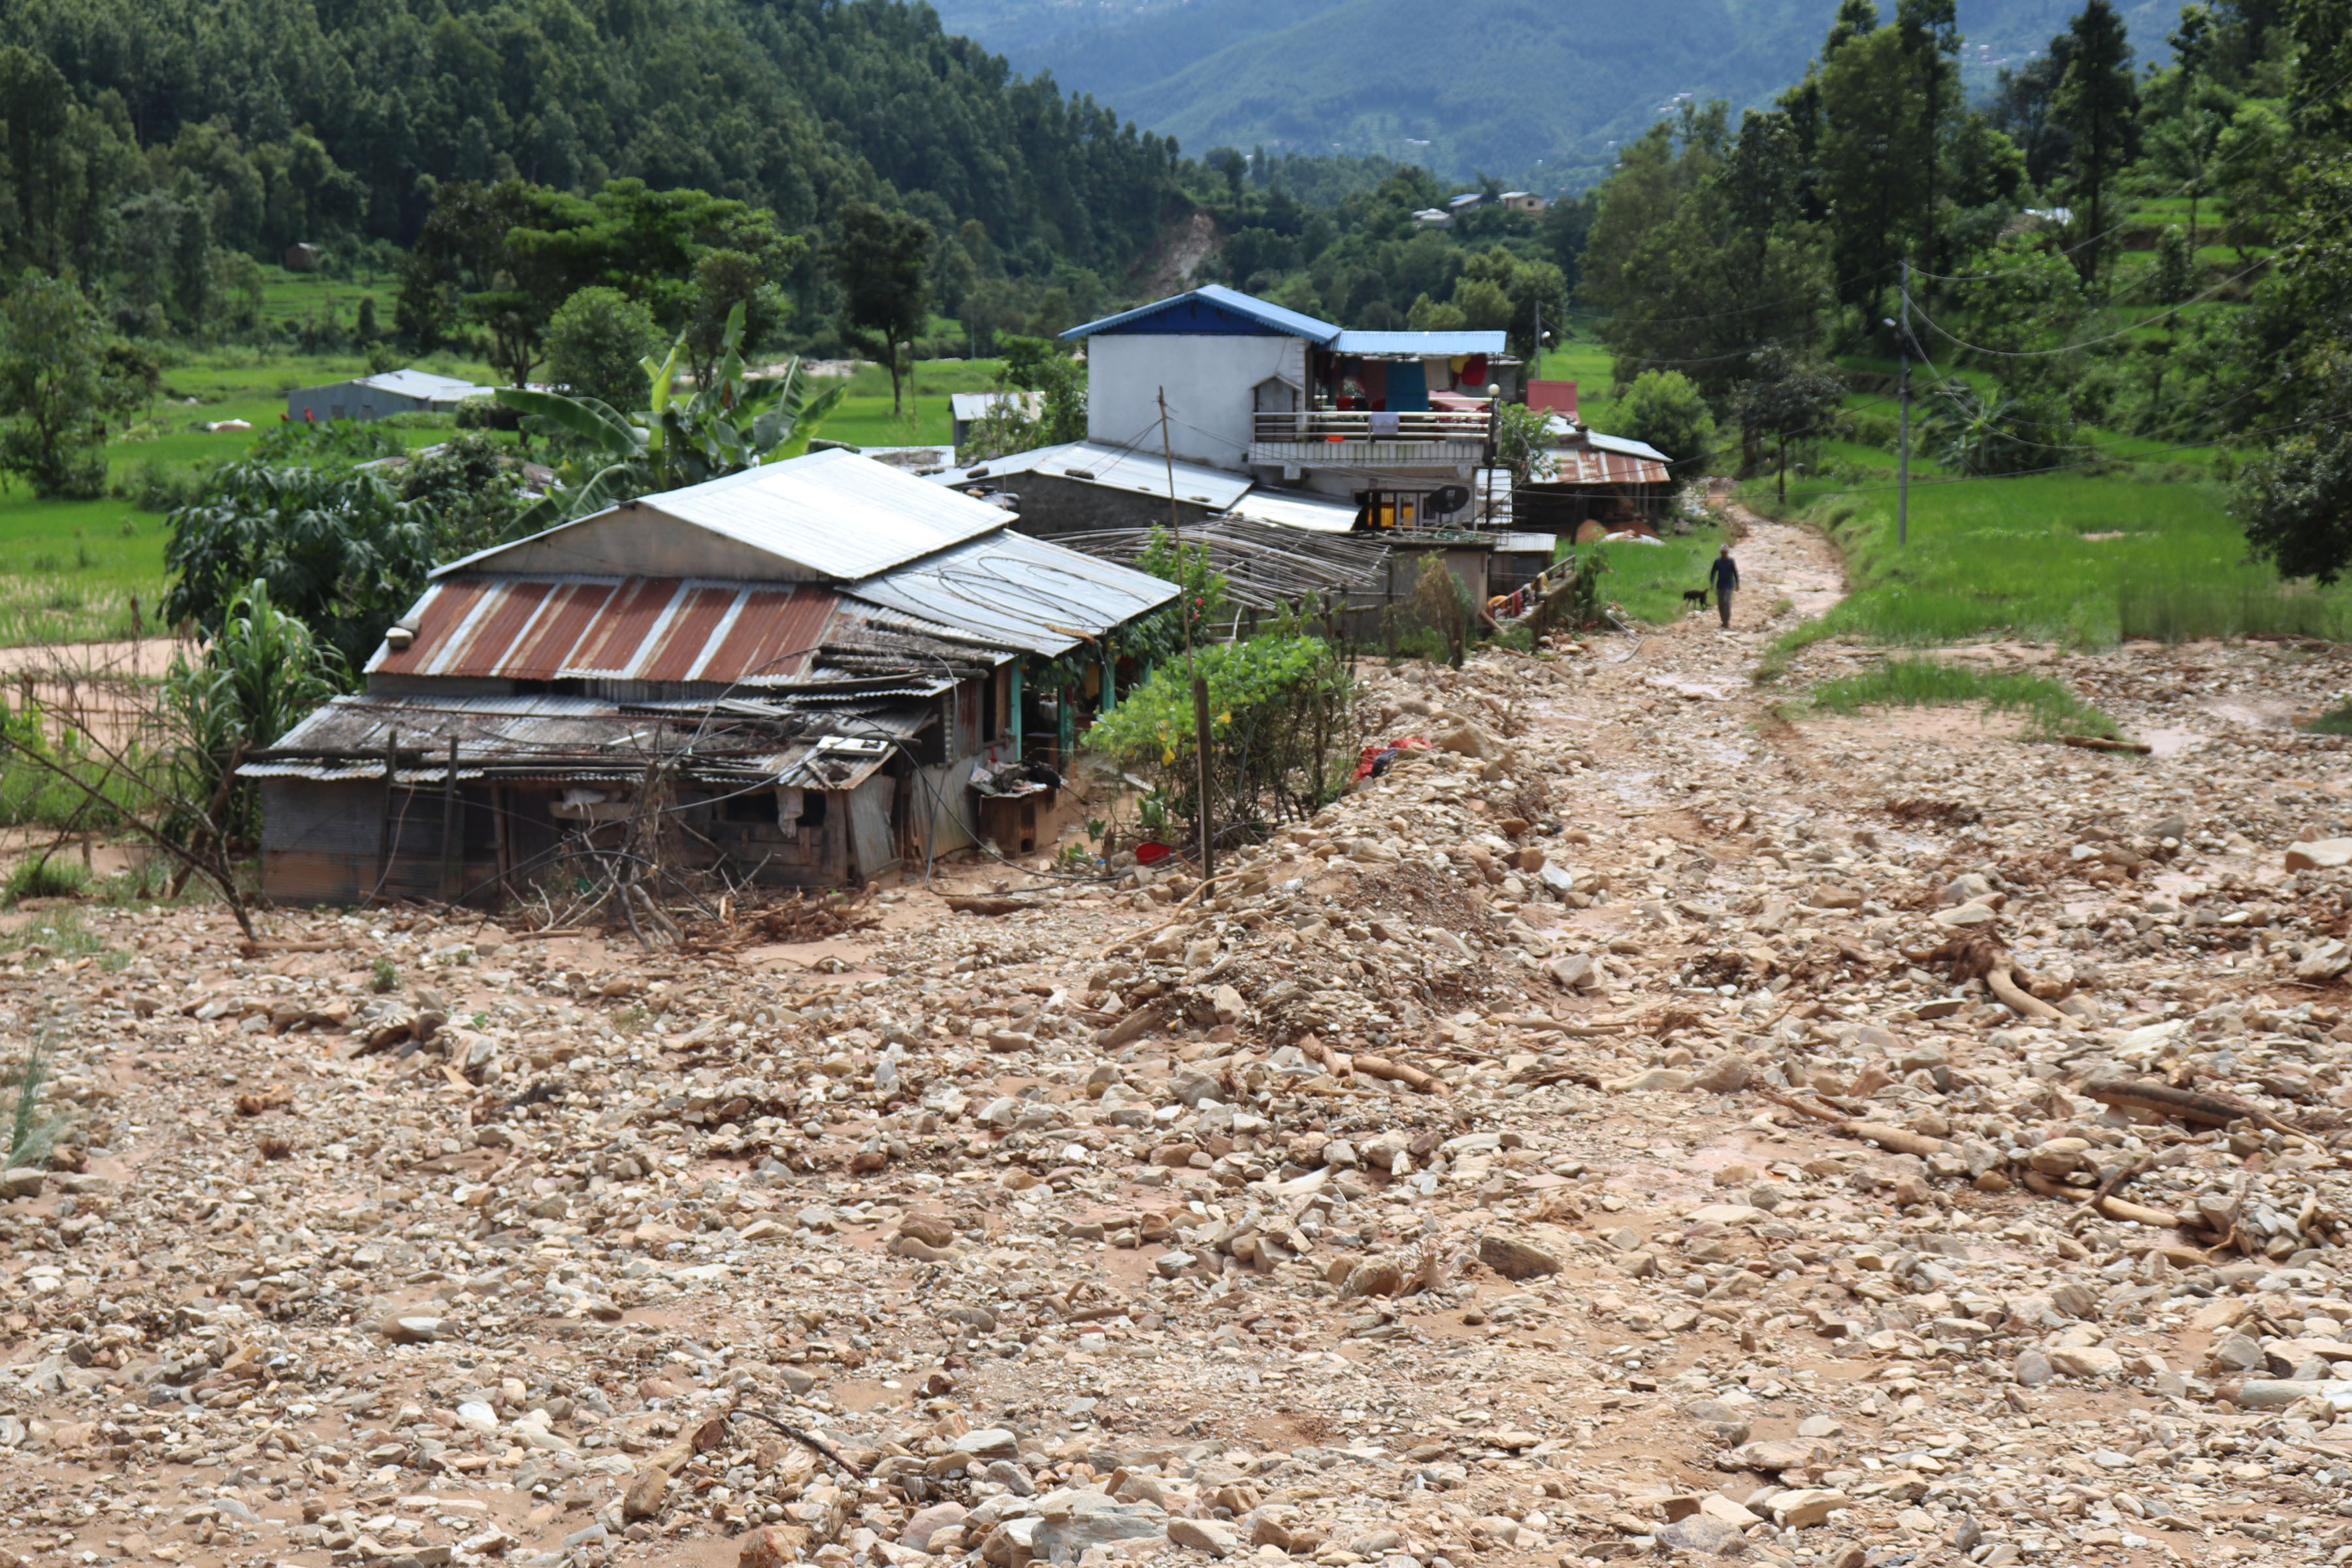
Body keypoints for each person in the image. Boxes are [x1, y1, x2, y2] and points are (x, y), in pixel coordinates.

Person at [1708, 544, 1739, 629]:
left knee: (1726, 602)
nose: (1724, 554)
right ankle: (1723, 620)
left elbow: (1735, 573)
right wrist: (1712, 583)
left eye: (1725, 553)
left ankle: (1727, 621)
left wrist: (1737, 584)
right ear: (1721, 553)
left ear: (1727, 553)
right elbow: (1713, 573)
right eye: (1723, 553)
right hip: (1720, 585)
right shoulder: (1718, 561)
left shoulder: (1731, 561)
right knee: (1721, 603)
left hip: (1729, 585)